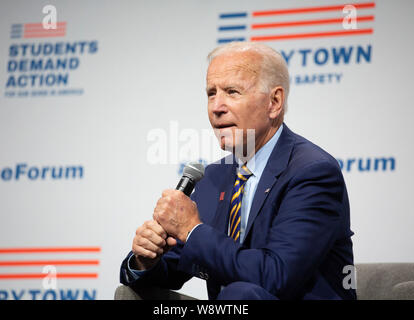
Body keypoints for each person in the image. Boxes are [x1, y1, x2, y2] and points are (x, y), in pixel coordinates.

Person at [119, 42, 356, 300]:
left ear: (274, 102)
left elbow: (276, 276)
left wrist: (192, 230)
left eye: (232, 92)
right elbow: (177, 263)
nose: (216, 107)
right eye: (211, 93)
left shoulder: (312, 172)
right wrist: (146, 260)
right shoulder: (213, 178)